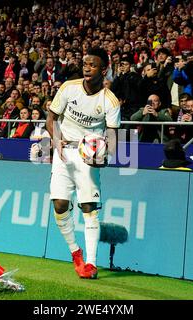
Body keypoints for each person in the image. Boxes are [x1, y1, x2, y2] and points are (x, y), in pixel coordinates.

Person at [46, 47, 121, 279]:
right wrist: (56, 140)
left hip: (89, 155)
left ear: (104, 69)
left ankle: (91, 263)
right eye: (85, 64)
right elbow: (51, 118)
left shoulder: (110, 101)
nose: (87, 68)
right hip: (64, 151)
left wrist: (106, 156)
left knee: (89, 207)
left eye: (93, 65)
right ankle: (75, 251)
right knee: (59, 204)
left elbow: (112, 135)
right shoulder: (69, 88)